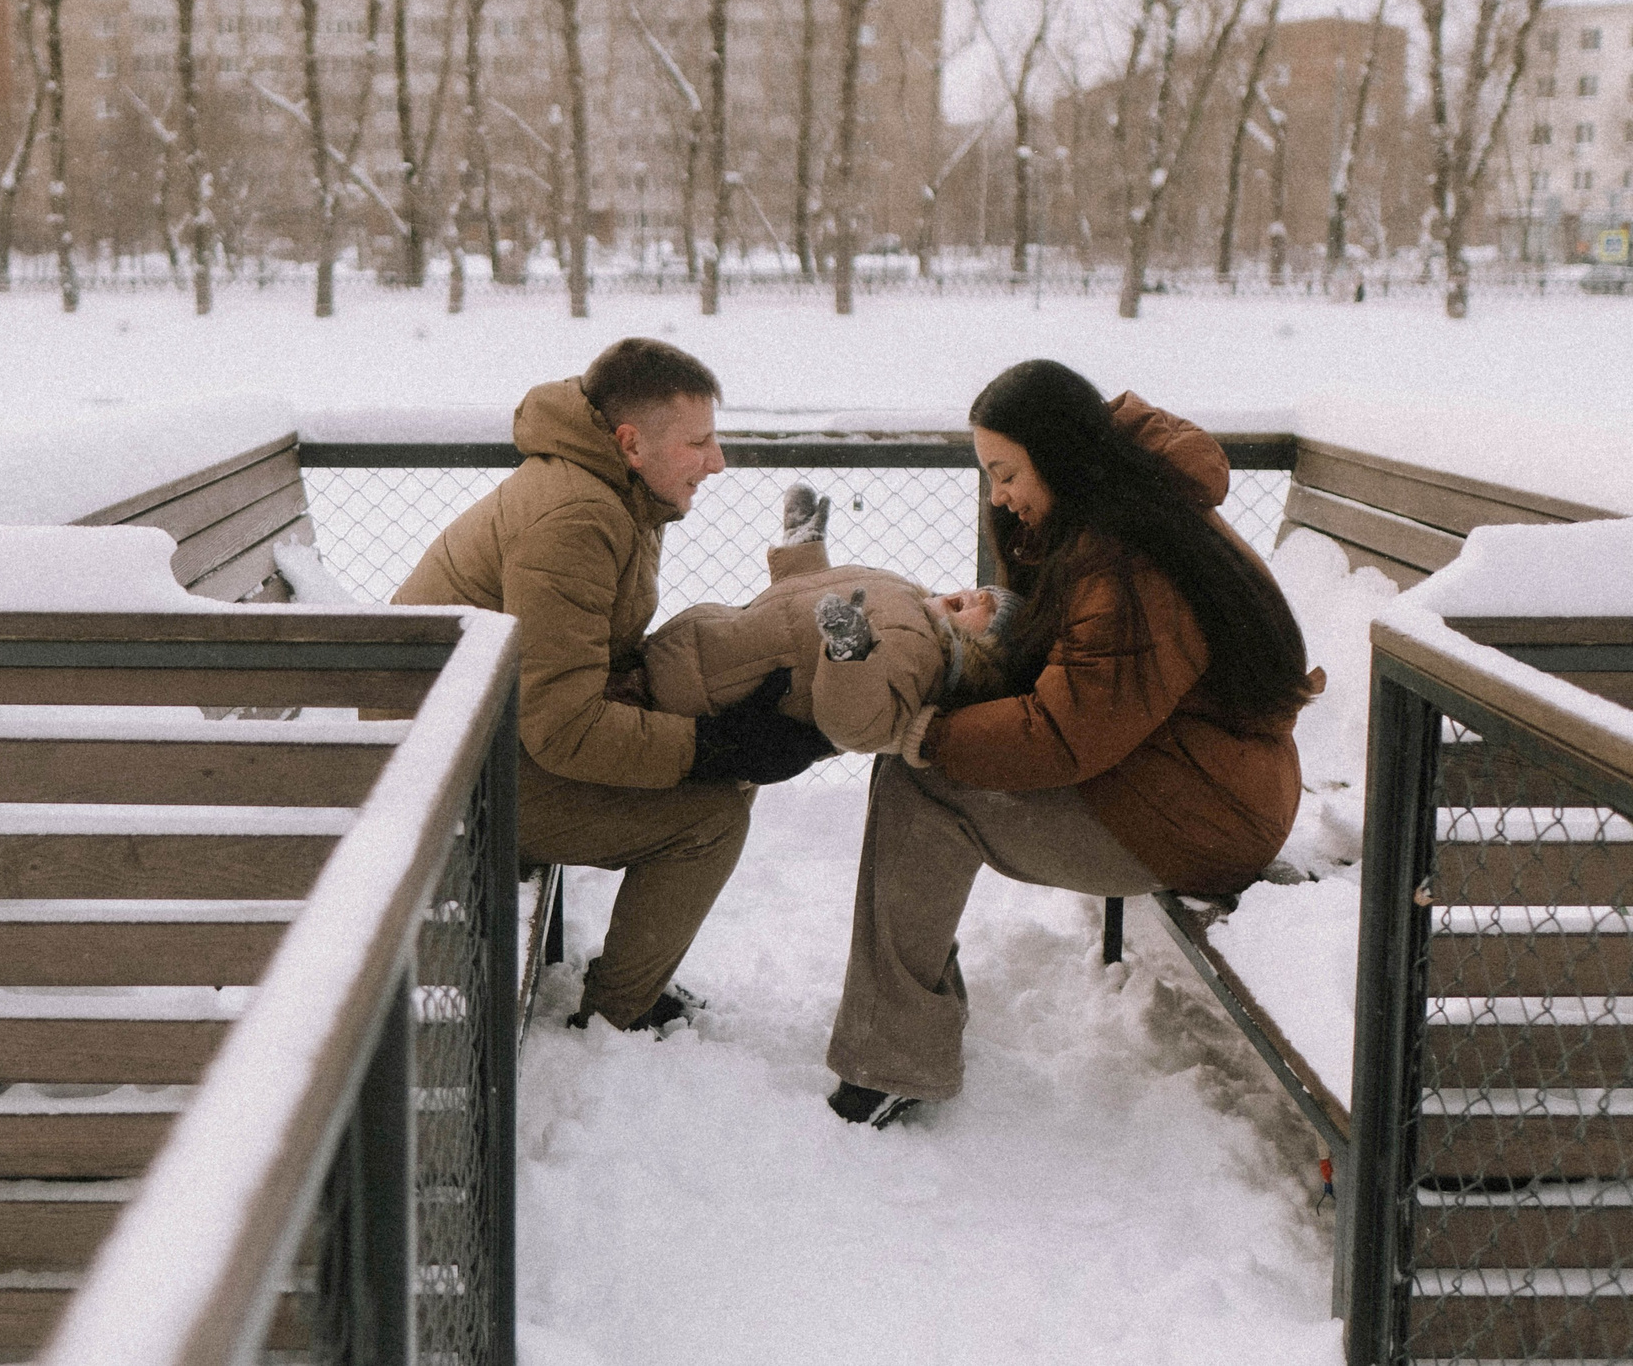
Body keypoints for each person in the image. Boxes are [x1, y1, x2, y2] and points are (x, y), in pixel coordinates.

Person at [824, 359, 1321, 1127]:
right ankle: (903, 1030)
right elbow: (1089, 683)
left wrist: (927, 733)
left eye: (1006, 474)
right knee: (923, 767)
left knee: (921, 781)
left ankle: (894, 1056)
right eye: (988, 475)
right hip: (1183, 775)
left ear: (1060, 456)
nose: (997, 496)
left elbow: (1063, 733)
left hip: (1201, 814)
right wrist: (1001, 621)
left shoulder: (1133, 566)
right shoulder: (1117, 513)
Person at [394, 339, 832, 1035]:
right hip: (439, 782)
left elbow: (580, 668)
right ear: (630, 443)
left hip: (473, 745)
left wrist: (721, 720)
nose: (718, 461)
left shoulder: (617, 494)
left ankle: (631, 989)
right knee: (711, 817)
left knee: (724, 779)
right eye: (699, 443)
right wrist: (711, 746)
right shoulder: (577, 517)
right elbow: (565, 728)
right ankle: (617, 1019)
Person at [642, 483, 1022, 758]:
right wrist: (802, 549)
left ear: (984, 655)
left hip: (704, 690)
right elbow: (804, 610)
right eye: (982, 591)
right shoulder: (904, 592)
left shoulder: (925, 658)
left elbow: (861, 724)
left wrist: (851, 655)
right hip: (696, 643)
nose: (978, 595)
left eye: (989, 611)